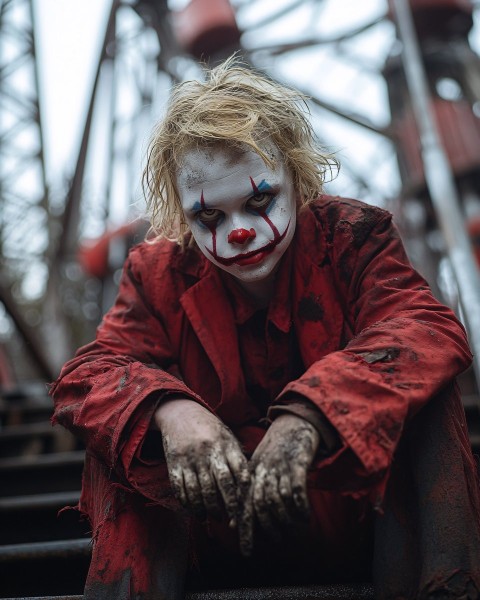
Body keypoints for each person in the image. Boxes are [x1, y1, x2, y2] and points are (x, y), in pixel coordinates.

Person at [50, 58, 480, 600]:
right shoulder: (155, 272)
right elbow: (88, 375)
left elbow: (426, 328)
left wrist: (312, 415)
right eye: (210, 218)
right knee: (123, 423)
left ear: (297, 179)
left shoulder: (354, 237)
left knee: (427, 390)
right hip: (215, 525)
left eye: (260, 200)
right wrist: (170, 411)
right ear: (184, 216)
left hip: (354, 506)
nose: (239, 233)